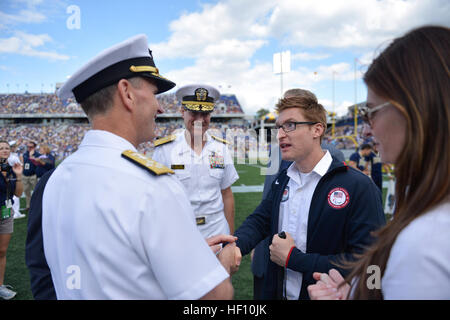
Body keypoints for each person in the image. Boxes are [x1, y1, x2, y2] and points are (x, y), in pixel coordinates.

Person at [41, 34, 239, 299]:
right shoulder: (152, 185)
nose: (159, 107)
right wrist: (220, 266)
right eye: (155, 94)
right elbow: (215, 297)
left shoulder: (57, 179)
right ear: (127, 94)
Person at [307, 25, 450, 300]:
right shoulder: (426, 206)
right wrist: (357, 289)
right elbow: (386, 277)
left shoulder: (426, 241)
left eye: (371, 112)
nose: (366, 130)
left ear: (415, 109)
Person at [233, 91, 385, 300]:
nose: (280, 134)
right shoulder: (283, 179)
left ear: (317, 129)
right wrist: (235, 245)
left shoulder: (359, 187)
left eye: (291, 125)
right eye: (279, 127)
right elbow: (261, 219)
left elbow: (371, 264)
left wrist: (294, 259)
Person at [252, 88, 346, 299]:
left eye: (291, 123)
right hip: (272, 247)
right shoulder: (277, 150)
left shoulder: (333, 154)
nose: (284, 128)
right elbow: (269, 200)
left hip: (305, 257)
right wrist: (259, 245)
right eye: (281, 123)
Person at [152, 84, 239, 238]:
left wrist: (230, 239)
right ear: (182, 112)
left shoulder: (221, 148)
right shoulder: (164, 150)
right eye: (194, 112)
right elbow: (156, 198)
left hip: (218, 232)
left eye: (205, 113)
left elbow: (226, 193)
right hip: (181, 234)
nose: (199, 119)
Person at [0, 140, 23, 300]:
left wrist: (19, 175)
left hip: (6, 213)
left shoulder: (11, 168)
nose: (4, 150)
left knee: (2, 251)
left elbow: (18, 193)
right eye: (1, 148)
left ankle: (0, 286)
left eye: (7, 148)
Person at [21, 140, 40, 210]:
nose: (29, 148)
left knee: (35, 191)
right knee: (26, 191)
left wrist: (31, 156)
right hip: (25, 175)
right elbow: (25, 161)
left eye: (31, 147)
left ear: (34, 147)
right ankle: (28, 206)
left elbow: (36, 164)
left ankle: (36, 205)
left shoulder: (37, 155)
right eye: (28, 147)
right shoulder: (25, 153)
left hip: (33, 175)